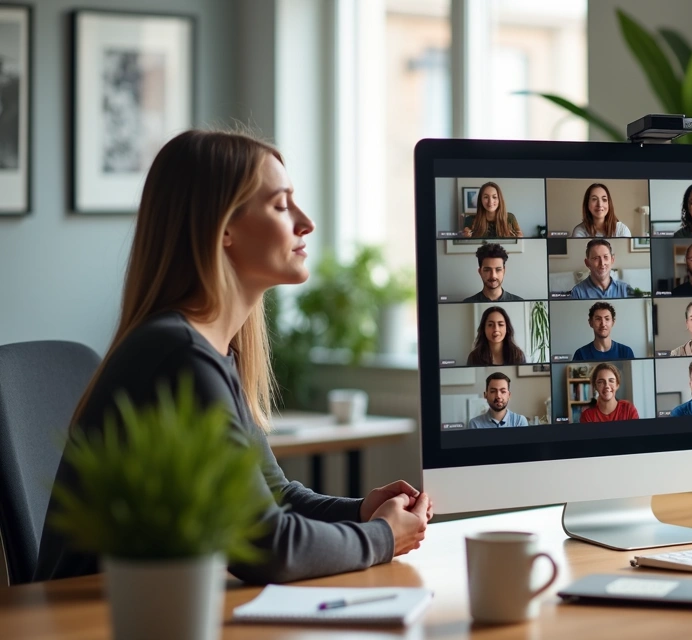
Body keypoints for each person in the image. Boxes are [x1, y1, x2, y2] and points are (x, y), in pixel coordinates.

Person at [35, 130, 432, 585]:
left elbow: (276, 498)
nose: (306, 222)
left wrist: (362, 511)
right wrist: (381, 537)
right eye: (281, 205)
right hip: (88, 621)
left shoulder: (208, 350)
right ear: (222, 229)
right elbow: (268, 548)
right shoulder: (180, 356)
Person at [570, 239, 636, 299]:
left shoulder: (625, 290)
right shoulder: (577, 293)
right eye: (596, 258)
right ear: (587, 263)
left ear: (612, 260)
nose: (602, 263)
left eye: (605, 257)